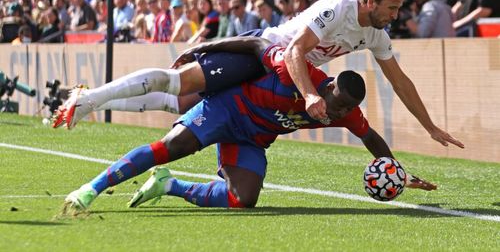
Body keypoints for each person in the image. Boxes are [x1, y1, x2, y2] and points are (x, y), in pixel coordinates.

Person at [54, 0, 464, 149]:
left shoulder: (375, 31)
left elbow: (400, 80)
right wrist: (308, 95)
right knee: (177, 84)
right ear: (370, 1)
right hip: (264, 55)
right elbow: (294, 50)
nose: (395, 16)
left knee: (183, 105)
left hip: (290, 75)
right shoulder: (337, 8)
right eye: (392, 8)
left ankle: (93, 99)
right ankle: (89, 99)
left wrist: (429, 127)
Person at [63, 40, 436, 212]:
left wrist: (398, 173)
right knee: (171, 146)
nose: (333, 115)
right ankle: (91, 188)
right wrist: (204, 48)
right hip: (226, 109)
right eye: (335, 105)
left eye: (342, 112)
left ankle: (170, 185)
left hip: (254, 138)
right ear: (328, 87)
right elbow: (256, 44)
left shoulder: (346, 111)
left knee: (244, 200)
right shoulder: (297, 72)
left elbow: (370, 137)